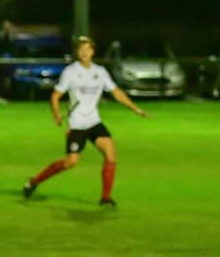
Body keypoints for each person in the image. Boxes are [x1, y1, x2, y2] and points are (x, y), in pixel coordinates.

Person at [23, 35, 149, 207]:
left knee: (111, 154)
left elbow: (117, 93)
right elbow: (55, 96)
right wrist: (57, 115)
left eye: (87, 49)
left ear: (93, 51)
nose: (84, 52)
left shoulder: (100, 72)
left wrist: (135, 108)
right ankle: (34, 181)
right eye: (81, 49)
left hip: (94, 121)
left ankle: (105, 198)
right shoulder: (70, 72)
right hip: (77, 124)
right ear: (77, 52)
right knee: (71, 162)